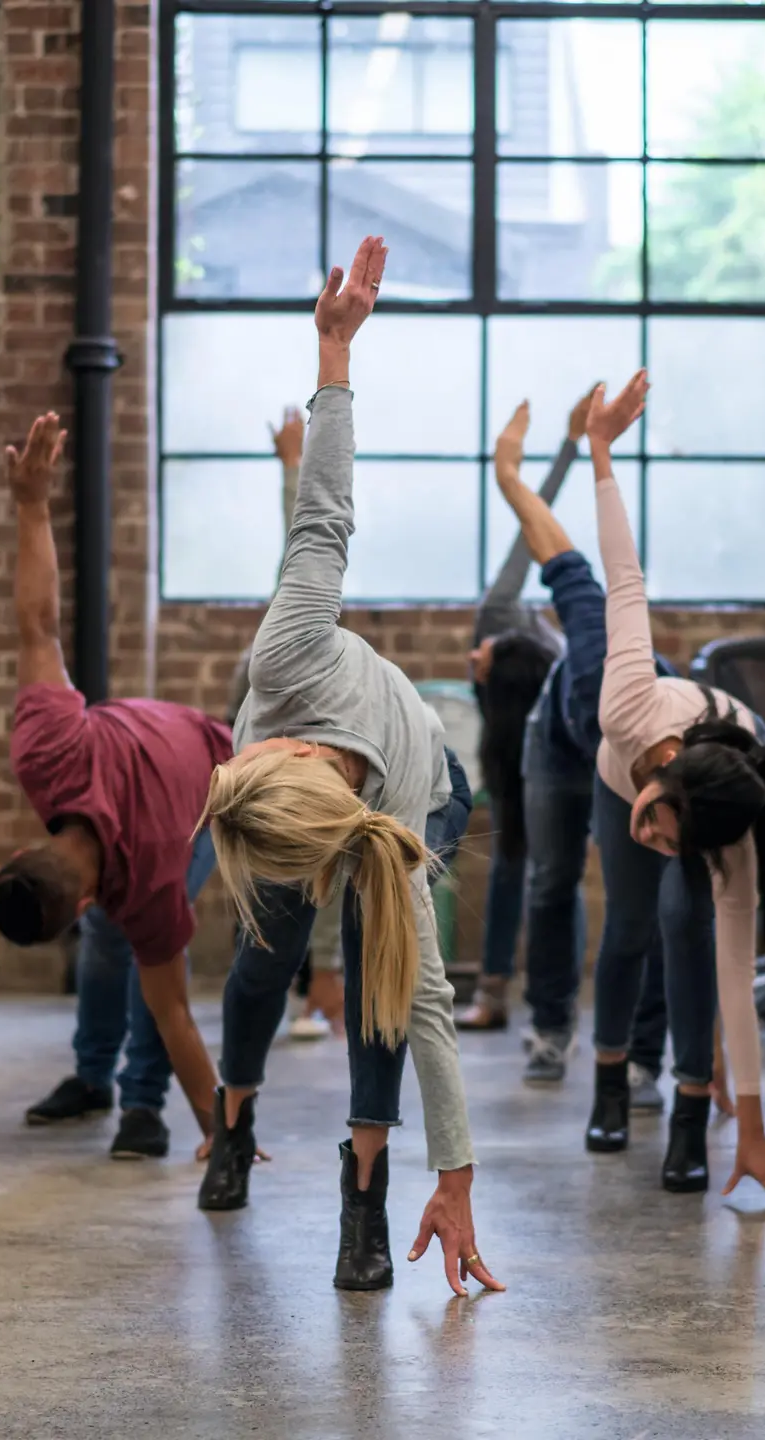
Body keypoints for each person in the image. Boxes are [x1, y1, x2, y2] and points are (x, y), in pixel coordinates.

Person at [196, 236, 505, 1298]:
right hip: (325, 816)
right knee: (265, 960)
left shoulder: (382, 805)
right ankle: (232, 1118)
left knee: (380, 982)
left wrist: (454, 1176)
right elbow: (317, 511)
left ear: (283, 753)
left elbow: (427, 1010)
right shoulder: (261, 768)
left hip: (424, 790)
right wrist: (332, 356)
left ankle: (362, 1194)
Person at [0, 414, 234, 1161]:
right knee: (106, 949)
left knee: (141, 955)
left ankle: (141, 1106)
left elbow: (176, 1017)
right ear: (30, 843)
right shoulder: (44, 751)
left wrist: (223, 1137)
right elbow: (39, 627)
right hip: (147, 746)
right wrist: (31, 503)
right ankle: (93, 1078)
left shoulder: (151, 885)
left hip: (206, 792)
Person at [583, 370, 765, 1203]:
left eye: (675, 846)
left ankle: (690, 1112)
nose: (657, 841)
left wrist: (751, 1128)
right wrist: (600, 449)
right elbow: (624, 577)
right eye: (663, 828)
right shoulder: (631, 701)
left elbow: (739, 984)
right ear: (666, 772)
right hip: (617, 774)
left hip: (722, 785)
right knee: (631, 922)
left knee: (689, 926)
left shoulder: (730, 834)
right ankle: (609, 1081)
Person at [486, 402, 670, 1099]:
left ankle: (647, 1052)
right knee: (552, 878)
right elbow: (559, 546)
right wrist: (509, 477)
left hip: (635, 759)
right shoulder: (599, 660)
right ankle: (553, 1026)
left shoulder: (697, 732)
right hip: (559, 750)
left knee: (648, 907)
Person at [457, 390, 593, 1031]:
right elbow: (535, 540)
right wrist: (567, 448)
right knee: (538, 878)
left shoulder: (508, 623)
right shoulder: (517, 628)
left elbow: (527, 539)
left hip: (559, 760)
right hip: (534, 765)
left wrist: (556, 454)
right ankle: (529, 1002)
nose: (475, 653)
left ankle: (526, 1000)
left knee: (541, 879)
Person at [227, 405, 345, 1042]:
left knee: (314, 857)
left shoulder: (309, 653)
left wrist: (295, 468)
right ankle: (290, 987)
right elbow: (293, 557)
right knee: (269, 869)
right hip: (260, 737)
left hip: (297, 737)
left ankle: (318, 985)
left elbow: (301, 550)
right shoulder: (281, 645)